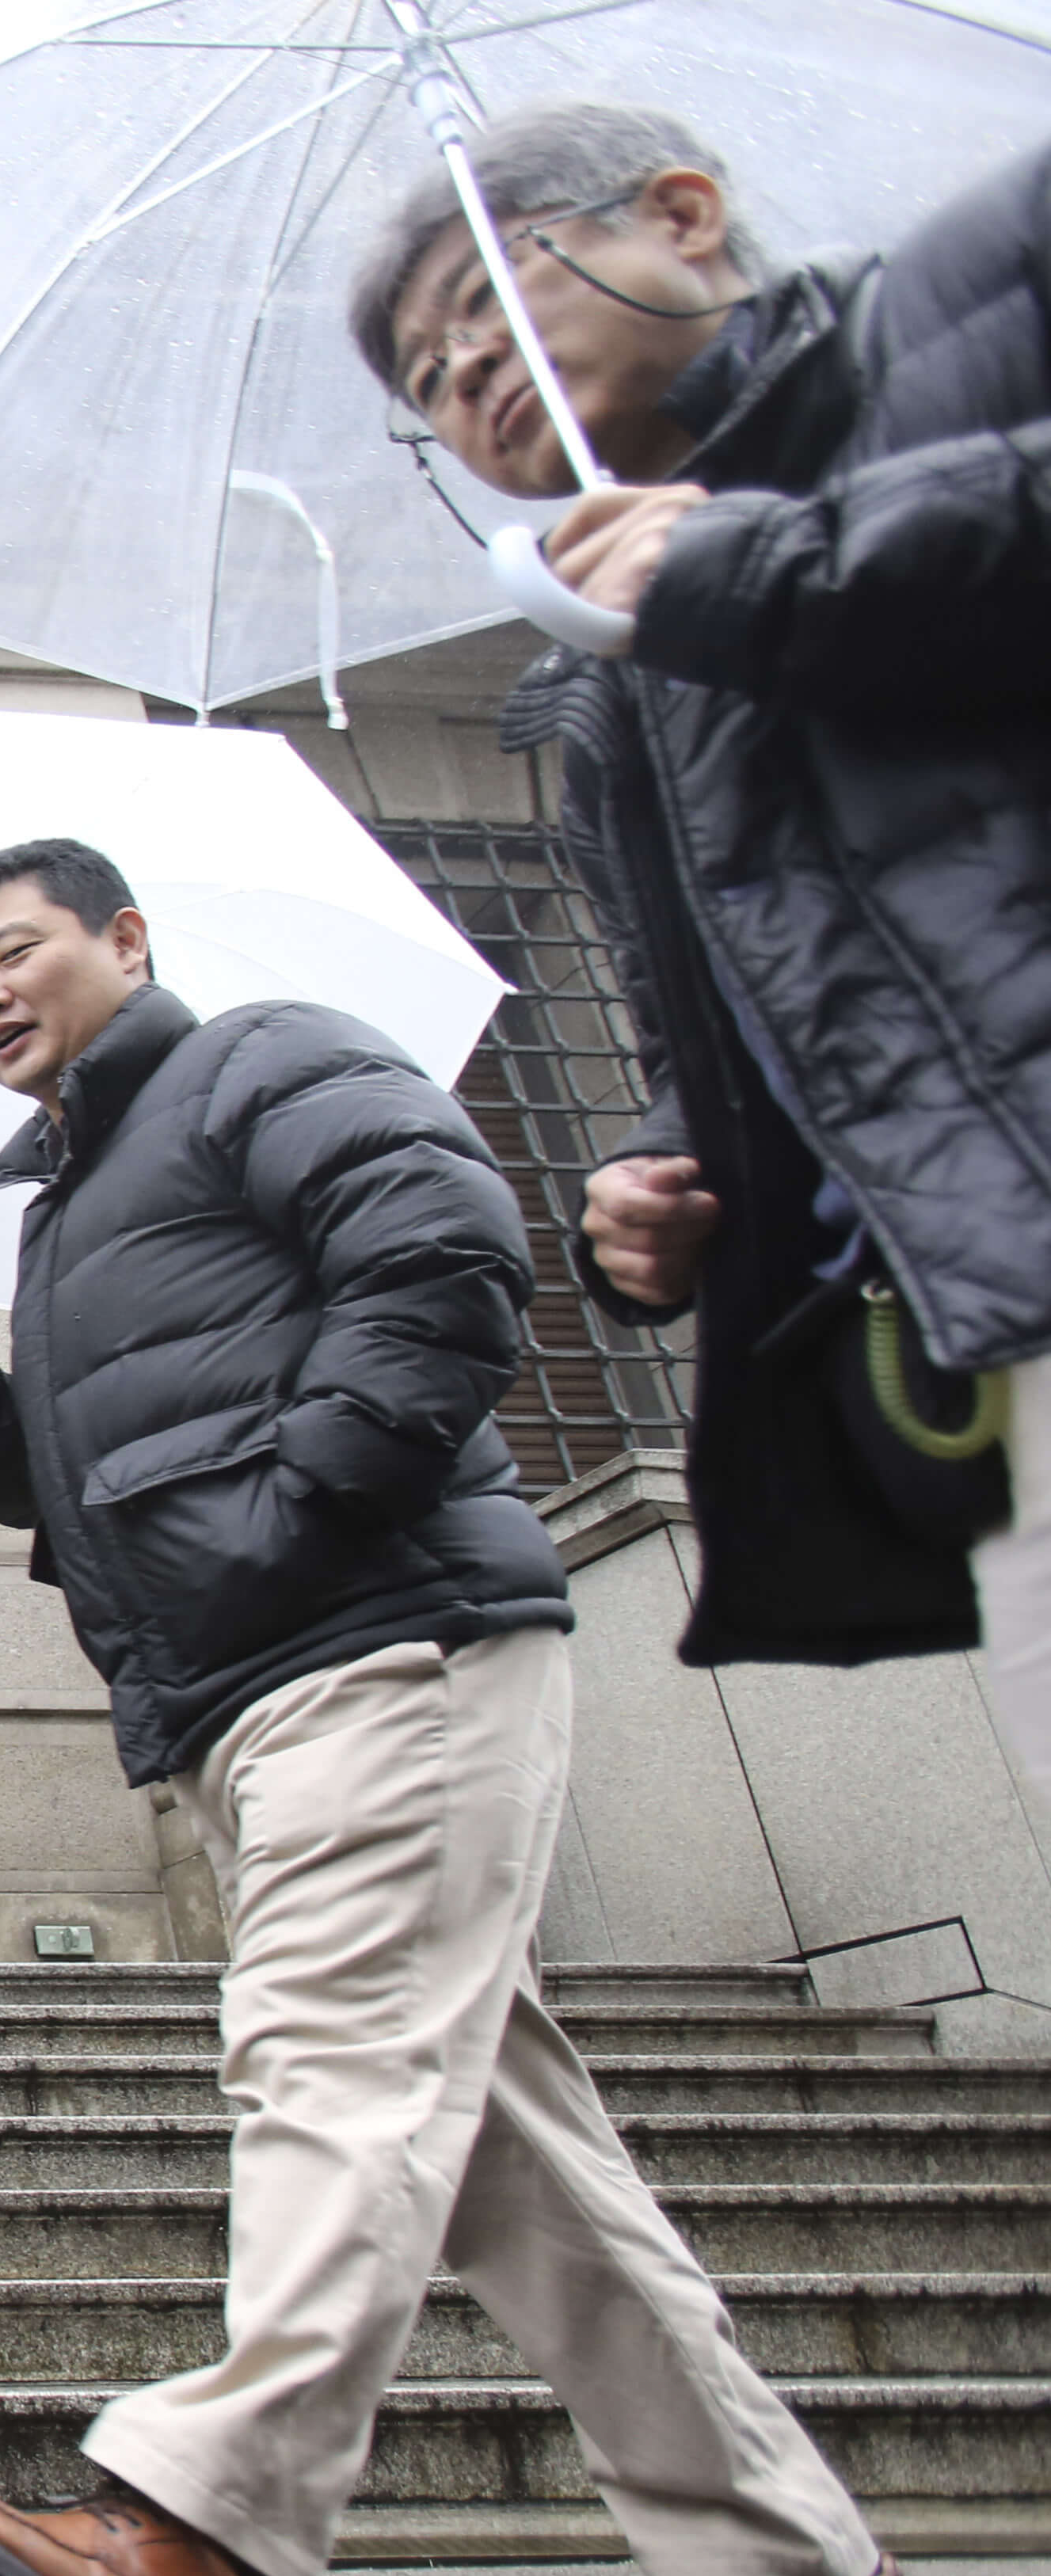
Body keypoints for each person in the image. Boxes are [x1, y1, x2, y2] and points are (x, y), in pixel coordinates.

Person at [0, 840, 928, 2576]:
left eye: (11, 952)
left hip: (377, 1643)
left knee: (329, 2055)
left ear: (126, 938)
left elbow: (440, 1243)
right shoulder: (68, 1205)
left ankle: (217, 2528)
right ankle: (787, 2569)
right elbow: (100, 1498)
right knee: (513, 2162)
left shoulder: (257, 1061)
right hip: (251, 1688)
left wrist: (302, 1515)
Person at [351, 103, 1051, 1704]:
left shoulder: (975, 295)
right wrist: (650, 1192)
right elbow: (725, 1029)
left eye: (480, 302)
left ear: (674, 214)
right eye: (422, 384)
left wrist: (780, 563)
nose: (461, 375)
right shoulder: (609, 703)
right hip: (982, 1318)